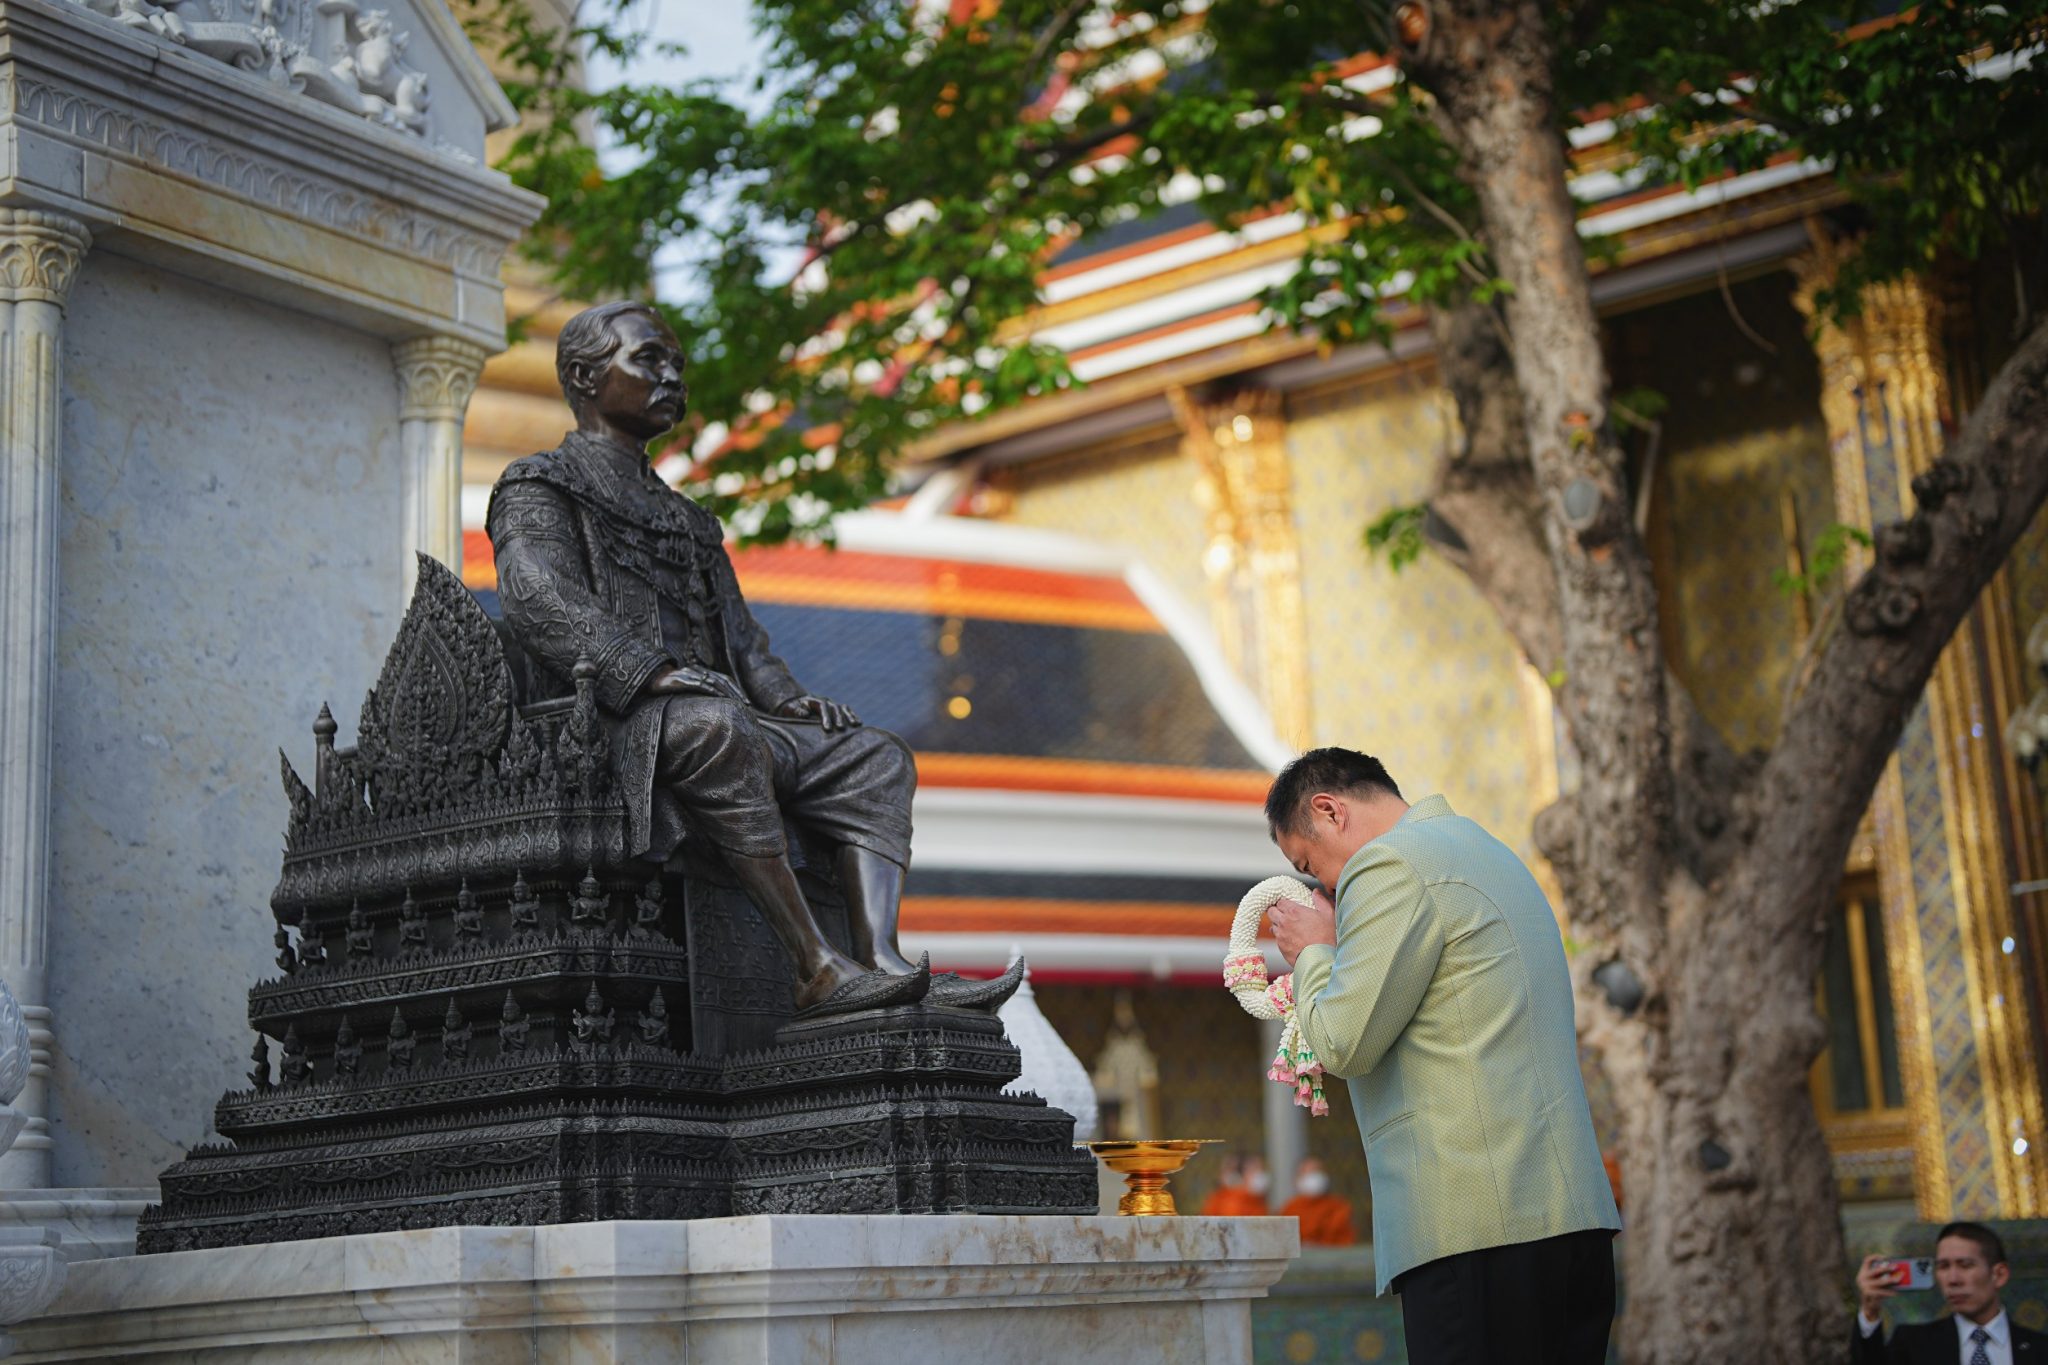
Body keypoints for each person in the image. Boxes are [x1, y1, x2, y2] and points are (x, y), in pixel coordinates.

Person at [488, 301, 1021, 1017]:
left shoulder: (687, 519)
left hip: (714, 709)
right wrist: (644, 670)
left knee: (875, 756)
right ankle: (815, 965)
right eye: (649, 359)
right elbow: (535, 594)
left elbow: (742, 639)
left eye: (676, 362)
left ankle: (882, 958)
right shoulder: (537, 486)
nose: (671, 375)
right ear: (585, 377)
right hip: (614, 719)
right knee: (717, 728)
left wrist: (788, 699)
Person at [1264, 748, 1621, 1365]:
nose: (1324, 887)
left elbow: (1344, 1041)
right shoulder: (1486, 850)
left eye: (1308, 864)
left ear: (1329, 811)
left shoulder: (1389, 864)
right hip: (1568, 1219)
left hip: (1477, 1225)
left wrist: (1316, 953)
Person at [1854, 1222, 2046, 1363]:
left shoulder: (2040, 1349)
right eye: (1944, 1266)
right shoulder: (1913, 1344)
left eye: (1965, 1265)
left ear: (1999, 1274)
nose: (1953, 1279)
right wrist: (1870, 1312)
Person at [1279, 1157, 1357, 1246]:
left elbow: (1345, 1242)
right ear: (1297, 1179)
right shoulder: (1290, 1208)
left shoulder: (1339, 1207)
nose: (1312, 1177)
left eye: (1316, 1171)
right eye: (1306, 1173)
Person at [1200, 1154, 1272, 1216]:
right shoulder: (1230, 1198)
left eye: (1260, 1169)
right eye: (1254, 1169)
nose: (1258, 1174)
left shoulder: (1260, 1200)